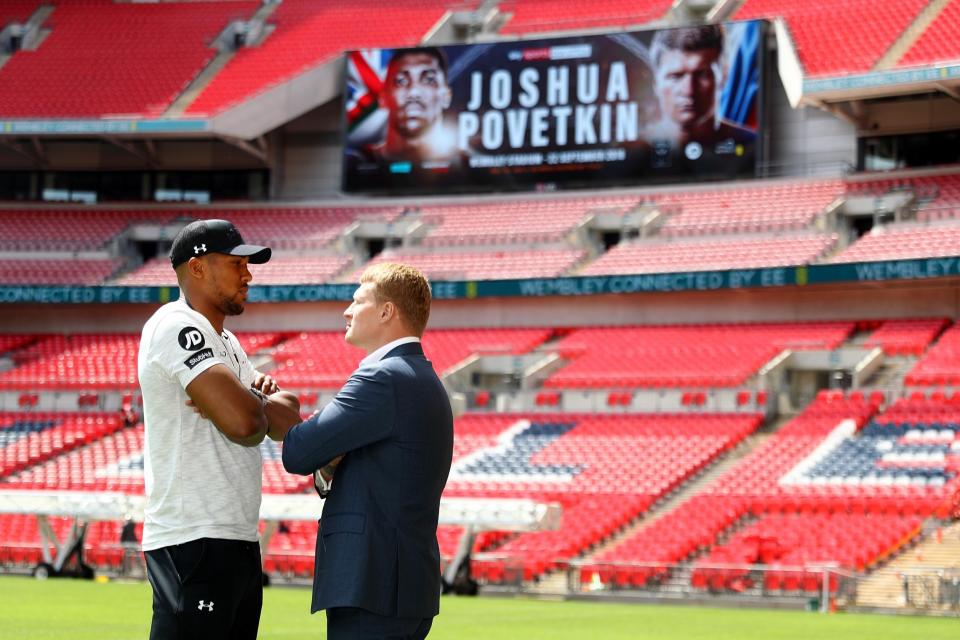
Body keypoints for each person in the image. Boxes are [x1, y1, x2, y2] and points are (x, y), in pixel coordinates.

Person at [137, 218, 301, 640]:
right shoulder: (176, 325)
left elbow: (287, 418)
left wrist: (250, 402)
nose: (247, 274)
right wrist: (250, 405)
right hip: (192, 539)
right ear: (197, 268)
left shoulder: (226, 341)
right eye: (235, 263)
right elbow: (246, 424)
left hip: (235, 536)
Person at [275, 263, 454, 640]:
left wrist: (273, 409)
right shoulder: (423, 377)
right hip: (406, 587)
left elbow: (298, 451)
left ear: (387, 311)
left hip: (372, 586)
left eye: (358, 301)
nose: (347, 310)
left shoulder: (382, 378)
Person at [646, 25, 755, 170]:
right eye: (675, 77)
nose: (688, 90)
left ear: (723, 77)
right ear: (655, 83)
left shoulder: (753, 146)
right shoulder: (632, 154)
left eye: (702, 75)